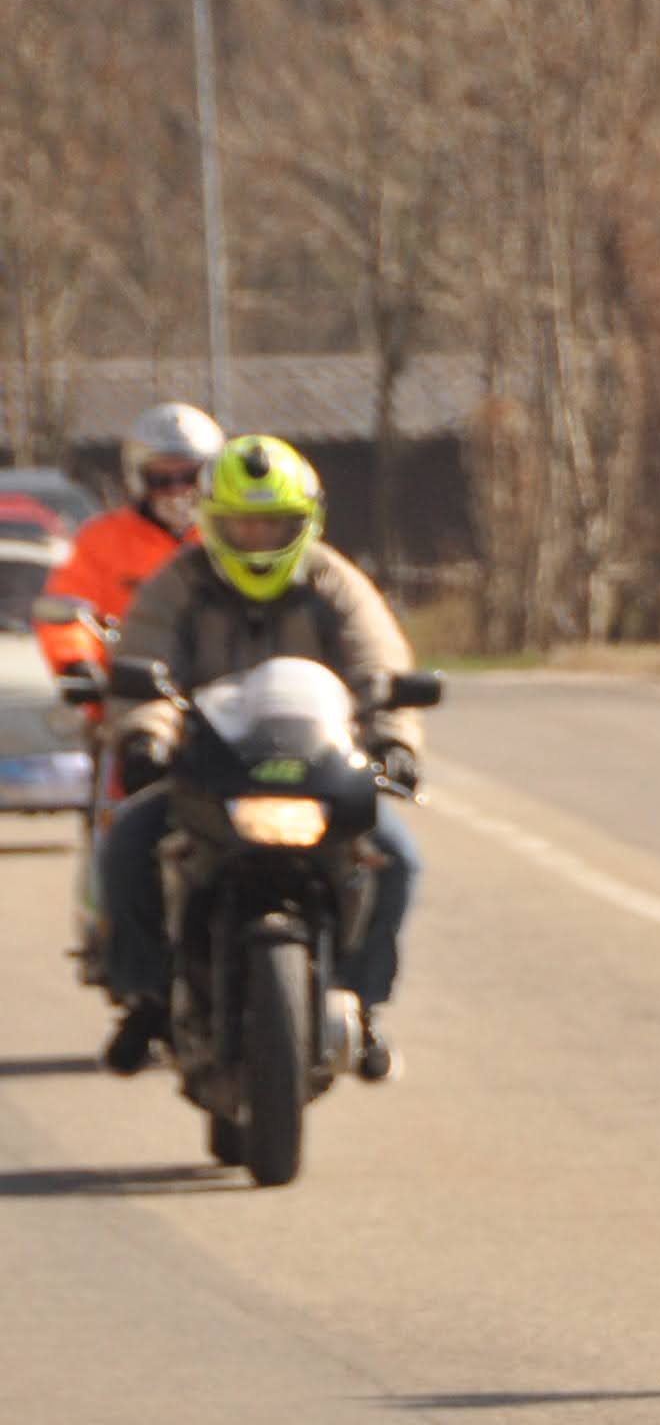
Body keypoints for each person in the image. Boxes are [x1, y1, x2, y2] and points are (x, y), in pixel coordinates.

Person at [98, 435, 426, 1080]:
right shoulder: (177, 584)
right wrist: (144, 736)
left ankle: (362, 1004)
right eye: (240, 524)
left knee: (397, 859)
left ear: (307, 521)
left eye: (273, 523)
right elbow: (144, 669)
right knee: (127, 844)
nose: (256, 538)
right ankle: (146, 1000)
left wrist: (395, 741)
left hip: (318, 771)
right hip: (207, 772)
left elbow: (381, 666)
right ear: (210, 523)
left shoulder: (335, 582)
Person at [42, 402, 223, 635]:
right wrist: (80, 653)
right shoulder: (101, 539)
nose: (176, 490)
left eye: (190, 477)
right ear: (137, 477)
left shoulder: (234, 535)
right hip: (129, 656)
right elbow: (67, 613)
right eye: (161, 479)